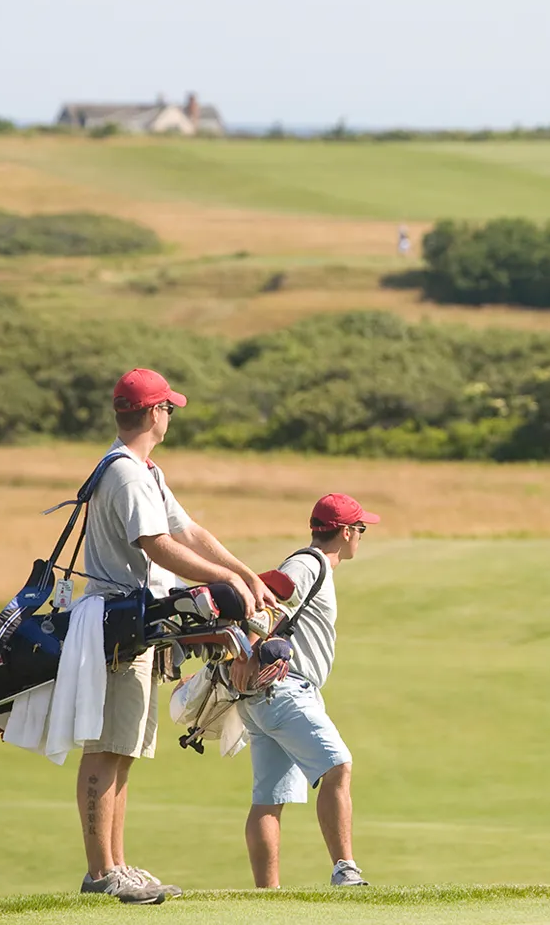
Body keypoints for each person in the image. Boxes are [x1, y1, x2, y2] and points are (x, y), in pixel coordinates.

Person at [76, 367, 275, 904]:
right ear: (152, 412)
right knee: (106, 749)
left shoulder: (145, 470)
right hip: (117, 625)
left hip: (135, 627)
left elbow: (189, 532)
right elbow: (156, 545)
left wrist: (243, 573)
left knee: (124, 749)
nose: (170, 416)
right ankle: (101, 873)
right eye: (168, 408)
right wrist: (222, 579)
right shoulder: (126, 473)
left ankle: (116, 864)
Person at [241, 493, 377, 889]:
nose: (361, 537)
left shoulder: (311, 564)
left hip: (265, 695)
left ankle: (268, 897)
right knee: (338, 765)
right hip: (284, 690)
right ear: (347, 532)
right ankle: (345, 870)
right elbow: (269, 594)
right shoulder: (309, 563)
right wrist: (244, 649)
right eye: (361, 529)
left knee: (269, 797)